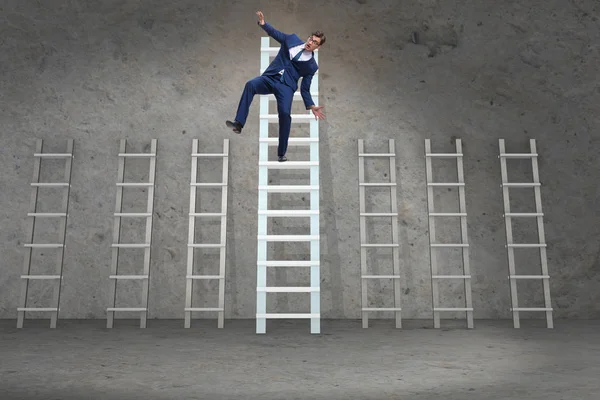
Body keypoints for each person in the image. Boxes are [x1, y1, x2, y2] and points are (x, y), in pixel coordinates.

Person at [226, 11, 326, 162]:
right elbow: (275, 33)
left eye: (315, 43)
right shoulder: (291, 39)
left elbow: (305, 88)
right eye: (311, 39)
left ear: (317, 47)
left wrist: (311, 106)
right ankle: (239, 123)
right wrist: (263, 24)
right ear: (308, 38)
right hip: (270, 78)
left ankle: (281, 153)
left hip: (286, 87)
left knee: (285, 114)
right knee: (250, 85)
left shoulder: (311, 66)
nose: (311, 42)